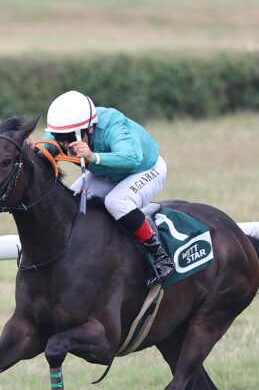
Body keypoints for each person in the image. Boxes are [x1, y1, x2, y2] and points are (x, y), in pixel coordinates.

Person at [42, 90, 172, 285]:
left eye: (70, 137)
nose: (66, 144)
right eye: (61, 137)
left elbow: (131, 157)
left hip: (145, 169)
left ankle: (159, 255)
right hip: (107, 172)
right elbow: (46, 146)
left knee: (117, 201)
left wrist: (92, 157)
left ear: (90, 129)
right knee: (74, 199)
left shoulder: (113, 124)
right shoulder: (65, 129)